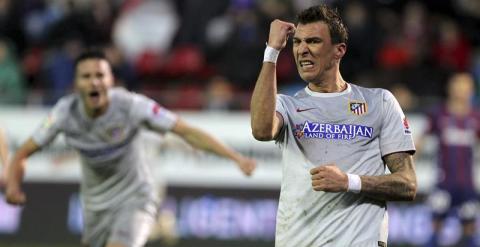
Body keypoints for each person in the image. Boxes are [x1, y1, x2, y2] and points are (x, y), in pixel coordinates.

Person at [5, 50, 256, 247]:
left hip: (136, 198)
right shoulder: (64, 113)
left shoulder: (132, 106)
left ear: (110, 80)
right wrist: (14, 185)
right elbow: (23, 152)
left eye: (100, 75)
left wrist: (235, 158)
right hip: (95, 205)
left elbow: (187, 132)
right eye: (86, 76)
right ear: (76, 84)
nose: (94, 82)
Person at [250, 5, 417, 246]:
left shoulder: (379, 102)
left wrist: (349, 182)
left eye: (314, 41)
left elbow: (407, 184)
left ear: (339, 50)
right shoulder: (287, 106)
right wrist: (272, 51)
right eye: (297, 43)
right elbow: (261, 130)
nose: (302, 50)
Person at [422, 73, 479, 247]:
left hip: (468, 184)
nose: (461, 90)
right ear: (450, 88)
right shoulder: (438, 114)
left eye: (465, 86)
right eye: (458, 85)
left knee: (470, 230)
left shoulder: (476, 117)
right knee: (435, 229)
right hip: (443, 183)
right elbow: (420, 139)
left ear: (471, 91)